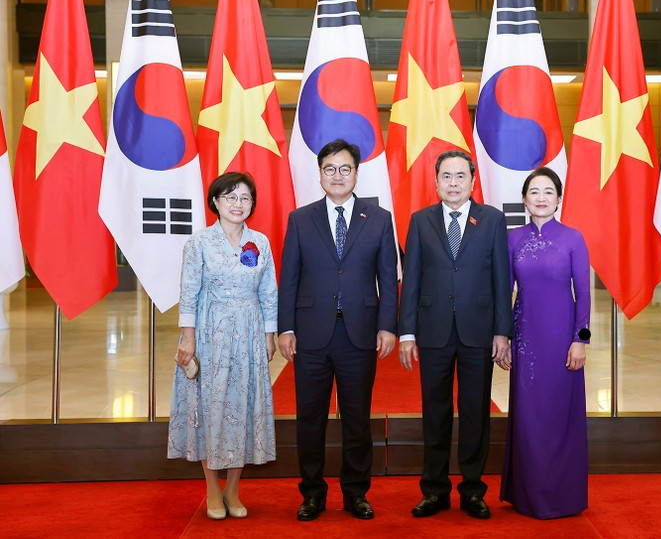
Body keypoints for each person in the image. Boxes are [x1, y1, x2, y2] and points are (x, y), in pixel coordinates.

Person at [278, 139, 398, 521]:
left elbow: (387, 278)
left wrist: (387, 326)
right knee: (309, 419)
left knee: (357, 418)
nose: (337, 175)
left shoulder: (378, 219)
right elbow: (290, 278)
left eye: (345, 169)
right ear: (320, 174)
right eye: (330, 169)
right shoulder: (301, 218)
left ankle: (355, 493)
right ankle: (312, 492)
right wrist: (285, 327)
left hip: (360, 334)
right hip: (311, 335)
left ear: (356, 173)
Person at [398, 150, 513, 520]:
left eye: (460, 176)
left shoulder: (493, 221)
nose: (453, 183)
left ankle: (473, 490)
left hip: (478, 331)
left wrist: (501, 331)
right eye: (446, 176)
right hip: (432, 332)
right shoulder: (420, 221)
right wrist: (407, 333)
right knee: (435, 413)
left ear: (473, 181)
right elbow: (411, 279)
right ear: (435, 182)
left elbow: (501, 279)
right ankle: (433, 490)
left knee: (476, 412)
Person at [168, 172, 277, 520]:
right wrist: (188, 337)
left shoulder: (259, 242)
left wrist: (269, 335)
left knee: (243, 406)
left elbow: (268, 292)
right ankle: (212, 487)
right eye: (230, 197)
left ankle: (233, 488)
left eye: (244, 198)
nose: (237, 204)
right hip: (209, 333)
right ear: (215, 201)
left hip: (249, 332)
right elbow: (188, 293)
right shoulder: (199, 243)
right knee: (210, 409)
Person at [500, 167, 591, 519]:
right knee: (528, 417)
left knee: (559, 415)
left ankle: (562, 496)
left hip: (562, 340)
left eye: (548, 192)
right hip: (526, 342)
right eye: (534, 192)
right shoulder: (512, 239)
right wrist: (505, 337)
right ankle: (527, 495)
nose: (541, 198)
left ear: (558, 198)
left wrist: (580, 340)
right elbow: (505, 291)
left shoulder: (573, 238)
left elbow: (582, 293)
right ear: (524, 199)